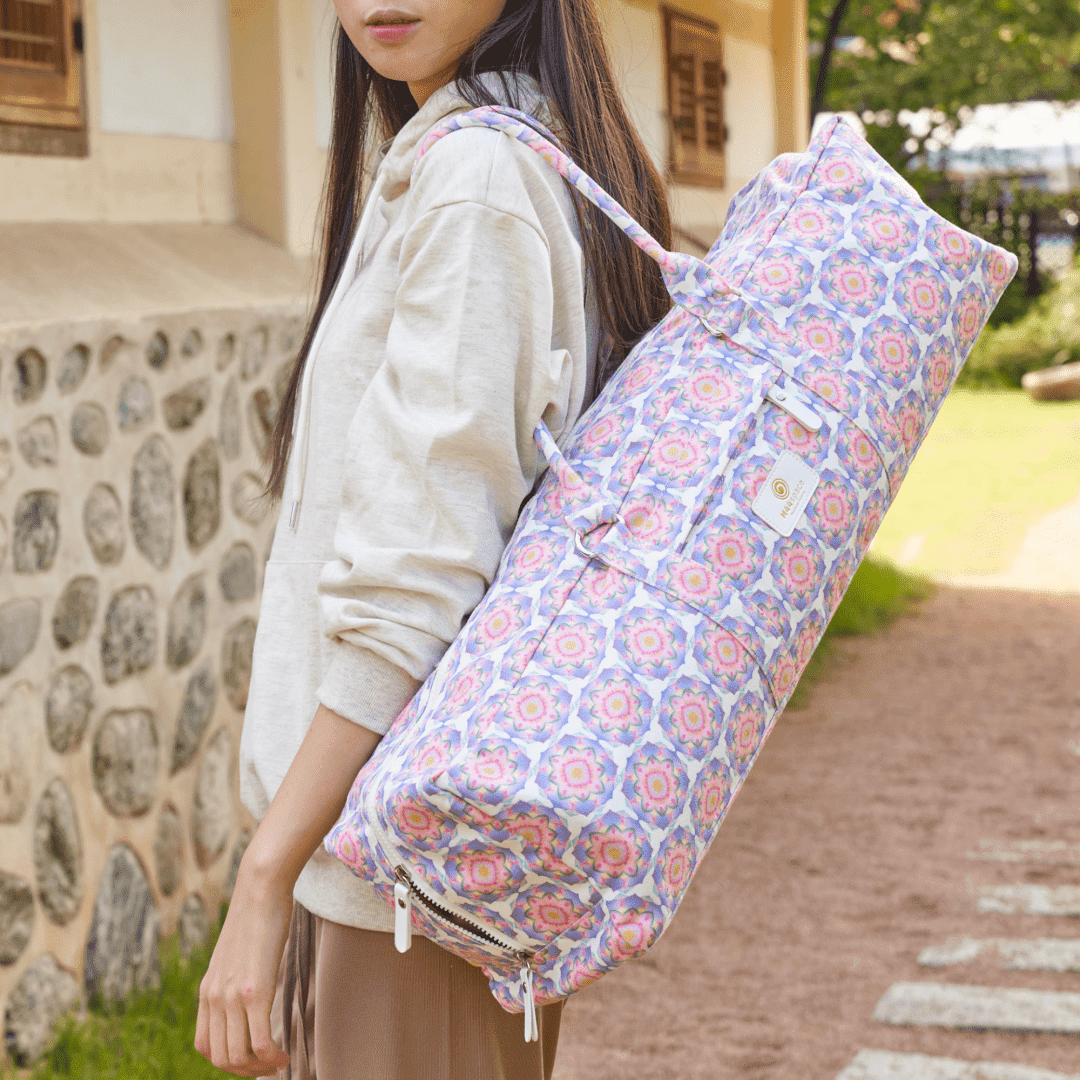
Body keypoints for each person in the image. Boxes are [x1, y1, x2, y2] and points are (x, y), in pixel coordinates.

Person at [195, 1, 671, 1076]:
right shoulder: (480, 150)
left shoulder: (478, 180)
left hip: (398, 888)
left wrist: (263, 880)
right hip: (408, 863)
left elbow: (416, 587)